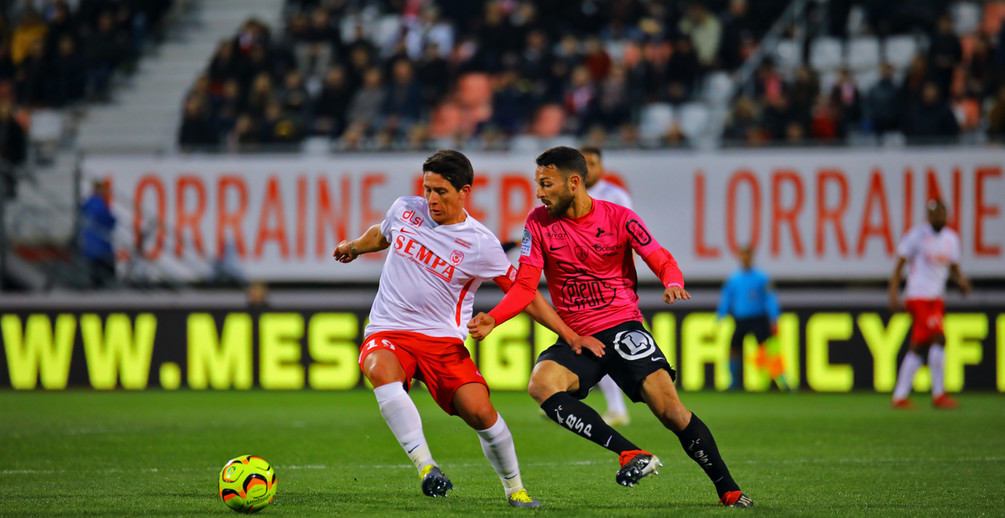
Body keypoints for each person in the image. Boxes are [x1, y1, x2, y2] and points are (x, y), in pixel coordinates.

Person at [468, 146, 753, 508]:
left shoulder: (620, 217)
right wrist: (495, 317)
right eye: (537, 183)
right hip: (578, 336)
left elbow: (659, 256)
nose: (539, 192)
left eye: (546, 184)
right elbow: (525, 286)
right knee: (541, 385)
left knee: (670, 411)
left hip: (622, 327)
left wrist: (672, 280)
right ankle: (629, 453)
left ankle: (729, 489)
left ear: (573, 182)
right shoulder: (538, 223)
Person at [333, 150, 594, 508]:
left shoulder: (480, 243)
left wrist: (569, 334)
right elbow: (382, 234)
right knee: (380, 369)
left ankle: (515, 490)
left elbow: (524, 294)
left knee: (481, 413)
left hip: (442, 341)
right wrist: (353, 247)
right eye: (427, 189)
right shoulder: (405, 209)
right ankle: (427, 468)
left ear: (464, 191)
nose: (431, 199)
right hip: (389, 329)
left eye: (440, 191)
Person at [888, 199, 971, 409]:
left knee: (918, 346)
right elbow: (899, 266)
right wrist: (893, 293)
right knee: (939, 338)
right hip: (918, 296)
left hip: (936, 298)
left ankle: (900, 395)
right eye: (935, 215)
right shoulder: (917, 236)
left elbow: (953, 267)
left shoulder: (951, 239)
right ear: (928, 216)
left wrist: (961, 281)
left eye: (942, 214)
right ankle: (938, 394)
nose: (940, 218)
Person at [581, 146, 632, 425]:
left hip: (609, 285)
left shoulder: (615, 196)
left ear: (602, 166)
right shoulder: (568, 197)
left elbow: (632, 236)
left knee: (603, 347)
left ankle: (617, 408)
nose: (588, 168)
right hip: (579, 287)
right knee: (594, 347)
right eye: (583, 163)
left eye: (593, 163)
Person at [716, 246, 788, 391]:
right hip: (741, 320)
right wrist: (720, 316)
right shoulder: (734, 279)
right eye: (743, 256)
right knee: (734, 349)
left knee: (769, 350)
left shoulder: (761, 278)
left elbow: (770, 299)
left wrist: (774, 318)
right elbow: (727, 299)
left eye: (747, 256)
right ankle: (734, 382)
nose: (745, 259)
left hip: (758, 318)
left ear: (751, 258)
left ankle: (781, 381)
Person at [79, 179, 117, 288]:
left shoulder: (86, 204)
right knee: (107, 278)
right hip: (103, 247)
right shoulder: (100, 205)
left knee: (94, 277)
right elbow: (110, 221)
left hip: (89, 247)